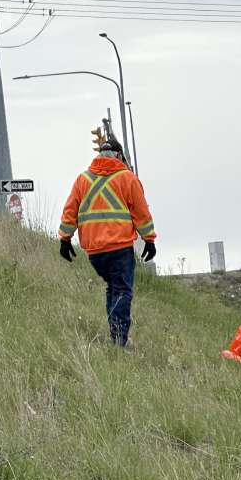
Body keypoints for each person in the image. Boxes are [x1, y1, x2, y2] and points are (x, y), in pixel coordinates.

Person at [58, 135, 157, 347]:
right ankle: (119, 341)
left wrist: (65, 239)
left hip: (94, 251)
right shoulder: (127, 178)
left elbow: (70, 211)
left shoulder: (82, 180)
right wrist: (149, 239)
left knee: (113, 288)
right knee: (121, 290)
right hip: (119, 247)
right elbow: (141, 212)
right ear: (119, 156)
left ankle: (115, 336)